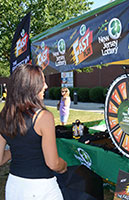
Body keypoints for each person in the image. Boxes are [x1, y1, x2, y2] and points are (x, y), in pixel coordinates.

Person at [0, 64, 67, 200]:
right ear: (31, 86)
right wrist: (64, 165)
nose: (46, 86)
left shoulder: (4, 116)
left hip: (14, 186)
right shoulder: (43, 117)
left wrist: (19, 150)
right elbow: (53, 163)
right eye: (42, 81)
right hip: (41, 187)